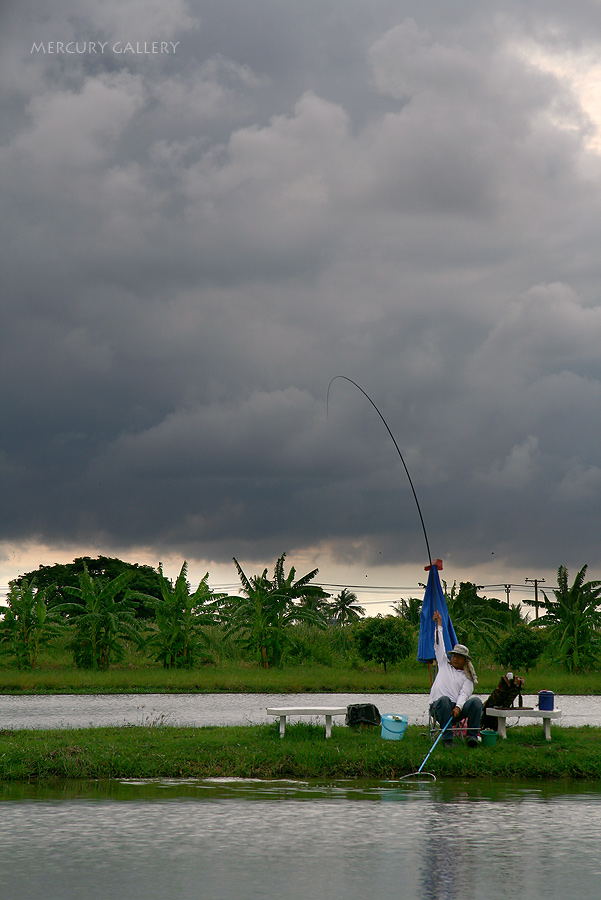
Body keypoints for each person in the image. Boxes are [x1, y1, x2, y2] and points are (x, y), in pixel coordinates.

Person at [429, 609, 482, 747]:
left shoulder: (468, 676)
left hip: (457, 709)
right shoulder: (444, 664)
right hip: (439, 706)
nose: (455, 658)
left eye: (459, 657)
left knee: (476, 702)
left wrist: (458, 707)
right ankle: (447, 739)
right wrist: (438, 624)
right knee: (444, 700)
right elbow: (439, 645)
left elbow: (464, 694)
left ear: (465, 660)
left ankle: (472, 737)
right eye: (453, 655)